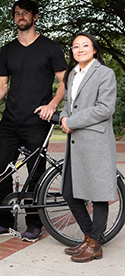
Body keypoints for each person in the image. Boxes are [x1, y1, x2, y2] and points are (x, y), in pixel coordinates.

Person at [0, 0, 67, 242]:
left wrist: (52, 105)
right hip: (10, 121)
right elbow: (2, 84)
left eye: (25, 13)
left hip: (37, 122)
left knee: (35, 175)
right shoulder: (7, 50)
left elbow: (64, 81)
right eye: (17, 13)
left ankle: (34, 223)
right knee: (0, 172)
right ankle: (4, 222)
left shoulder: (50, 48)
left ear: (35, 17)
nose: (21, 16)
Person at [60, 32, 117, 262]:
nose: (80, 49)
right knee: (68, 192)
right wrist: (64, 117)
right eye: (75, 46)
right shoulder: (72, 73)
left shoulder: (105, 73)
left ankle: (95, 245)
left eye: (85, 45)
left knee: (99, 195)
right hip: (76, 143)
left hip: (96, 142)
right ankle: (87, 237)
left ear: (94, 49)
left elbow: (105, 108)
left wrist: (71, 122)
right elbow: (68, 104)